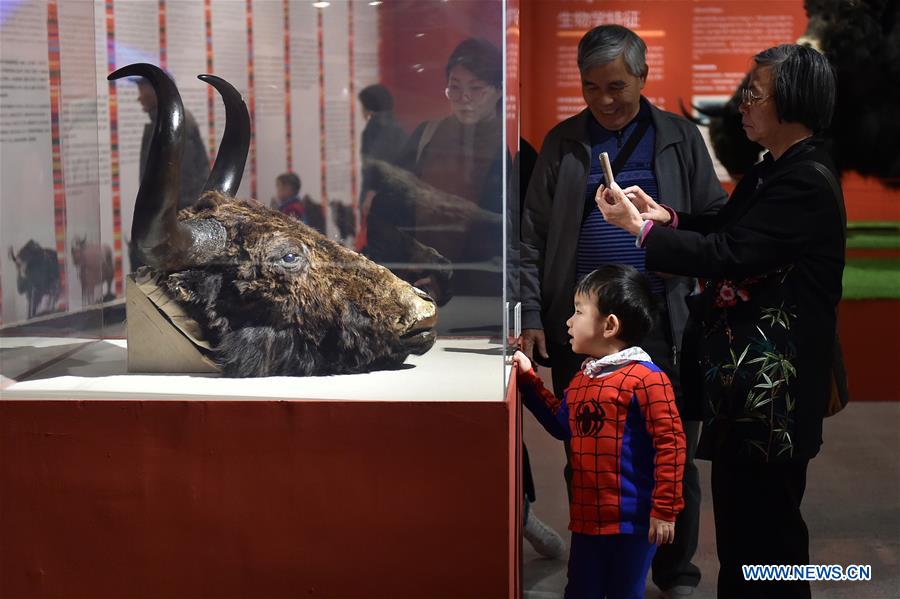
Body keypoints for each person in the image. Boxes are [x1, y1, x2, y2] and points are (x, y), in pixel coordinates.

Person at [597, 44, 843, 599]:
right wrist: (665, 217)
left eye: (754, 93)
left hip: (773, 396)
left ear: (794, 102)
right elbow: (726, 228)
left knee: (770, 540)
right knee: (742, 532)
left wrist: (641, 231)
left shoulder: (804, 180)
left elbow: (732, 252)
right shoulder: (773, 169)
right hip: (748, 391)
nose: (743, 105)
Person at [519, 24, 726, 597]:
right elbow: (531, 237)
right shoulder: (563, 143)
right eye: (591, 87)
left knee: (671, 450)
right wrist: (532, 314)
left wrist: (667, 228)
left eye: (616, 86)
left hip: (664, 325)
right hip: (584, 331)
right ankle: (599, 566)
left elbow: (713, 218)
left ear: (642, 77)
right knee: (586, 451)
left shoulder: (679, 137)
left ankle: (675, 570)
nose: (604, 100)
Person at [512, 265, 686, 599]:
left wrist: (665, 509)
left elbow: (671, 446)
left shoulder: (648, 379)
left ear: (610, 325)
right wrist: (529, 381)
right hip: (587, 521)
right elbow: (561, 424)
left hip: (633, 524)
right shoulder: (583, 379)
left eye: (578, 312)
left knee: (624, 592)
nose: (568, 322)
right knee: (580, 590)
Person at [389, 37, 507, 301]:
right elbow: (394, 203)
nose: (464, 98)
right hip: (419, 280)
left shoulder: (510, 145)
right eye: (455, 87)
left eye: (476, 88)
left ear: (499, 90)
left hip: (484, 289)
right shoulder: (427, 135)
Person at [137, 77, 209, 211]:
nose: (139, 98)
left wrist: (179, 213)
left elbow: (185, 175)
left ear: (157, 93)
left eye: (142, 92)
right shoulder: (163, 121)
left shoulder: (176, 122)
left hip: (179, 211)